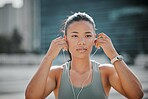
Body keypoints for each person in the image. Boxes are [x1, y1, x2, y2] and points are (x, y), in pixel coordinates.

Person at [25, 12, 143, 99]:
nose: (81, 42)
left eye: (87, 35)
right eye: (75, 36)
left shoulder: (106, 72)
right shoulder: (57, 74)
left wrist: (113, 54)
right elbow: (31, 97)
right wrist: (49, 57)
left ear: (94, 39)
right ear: (66, 40)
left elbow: (137, 95)